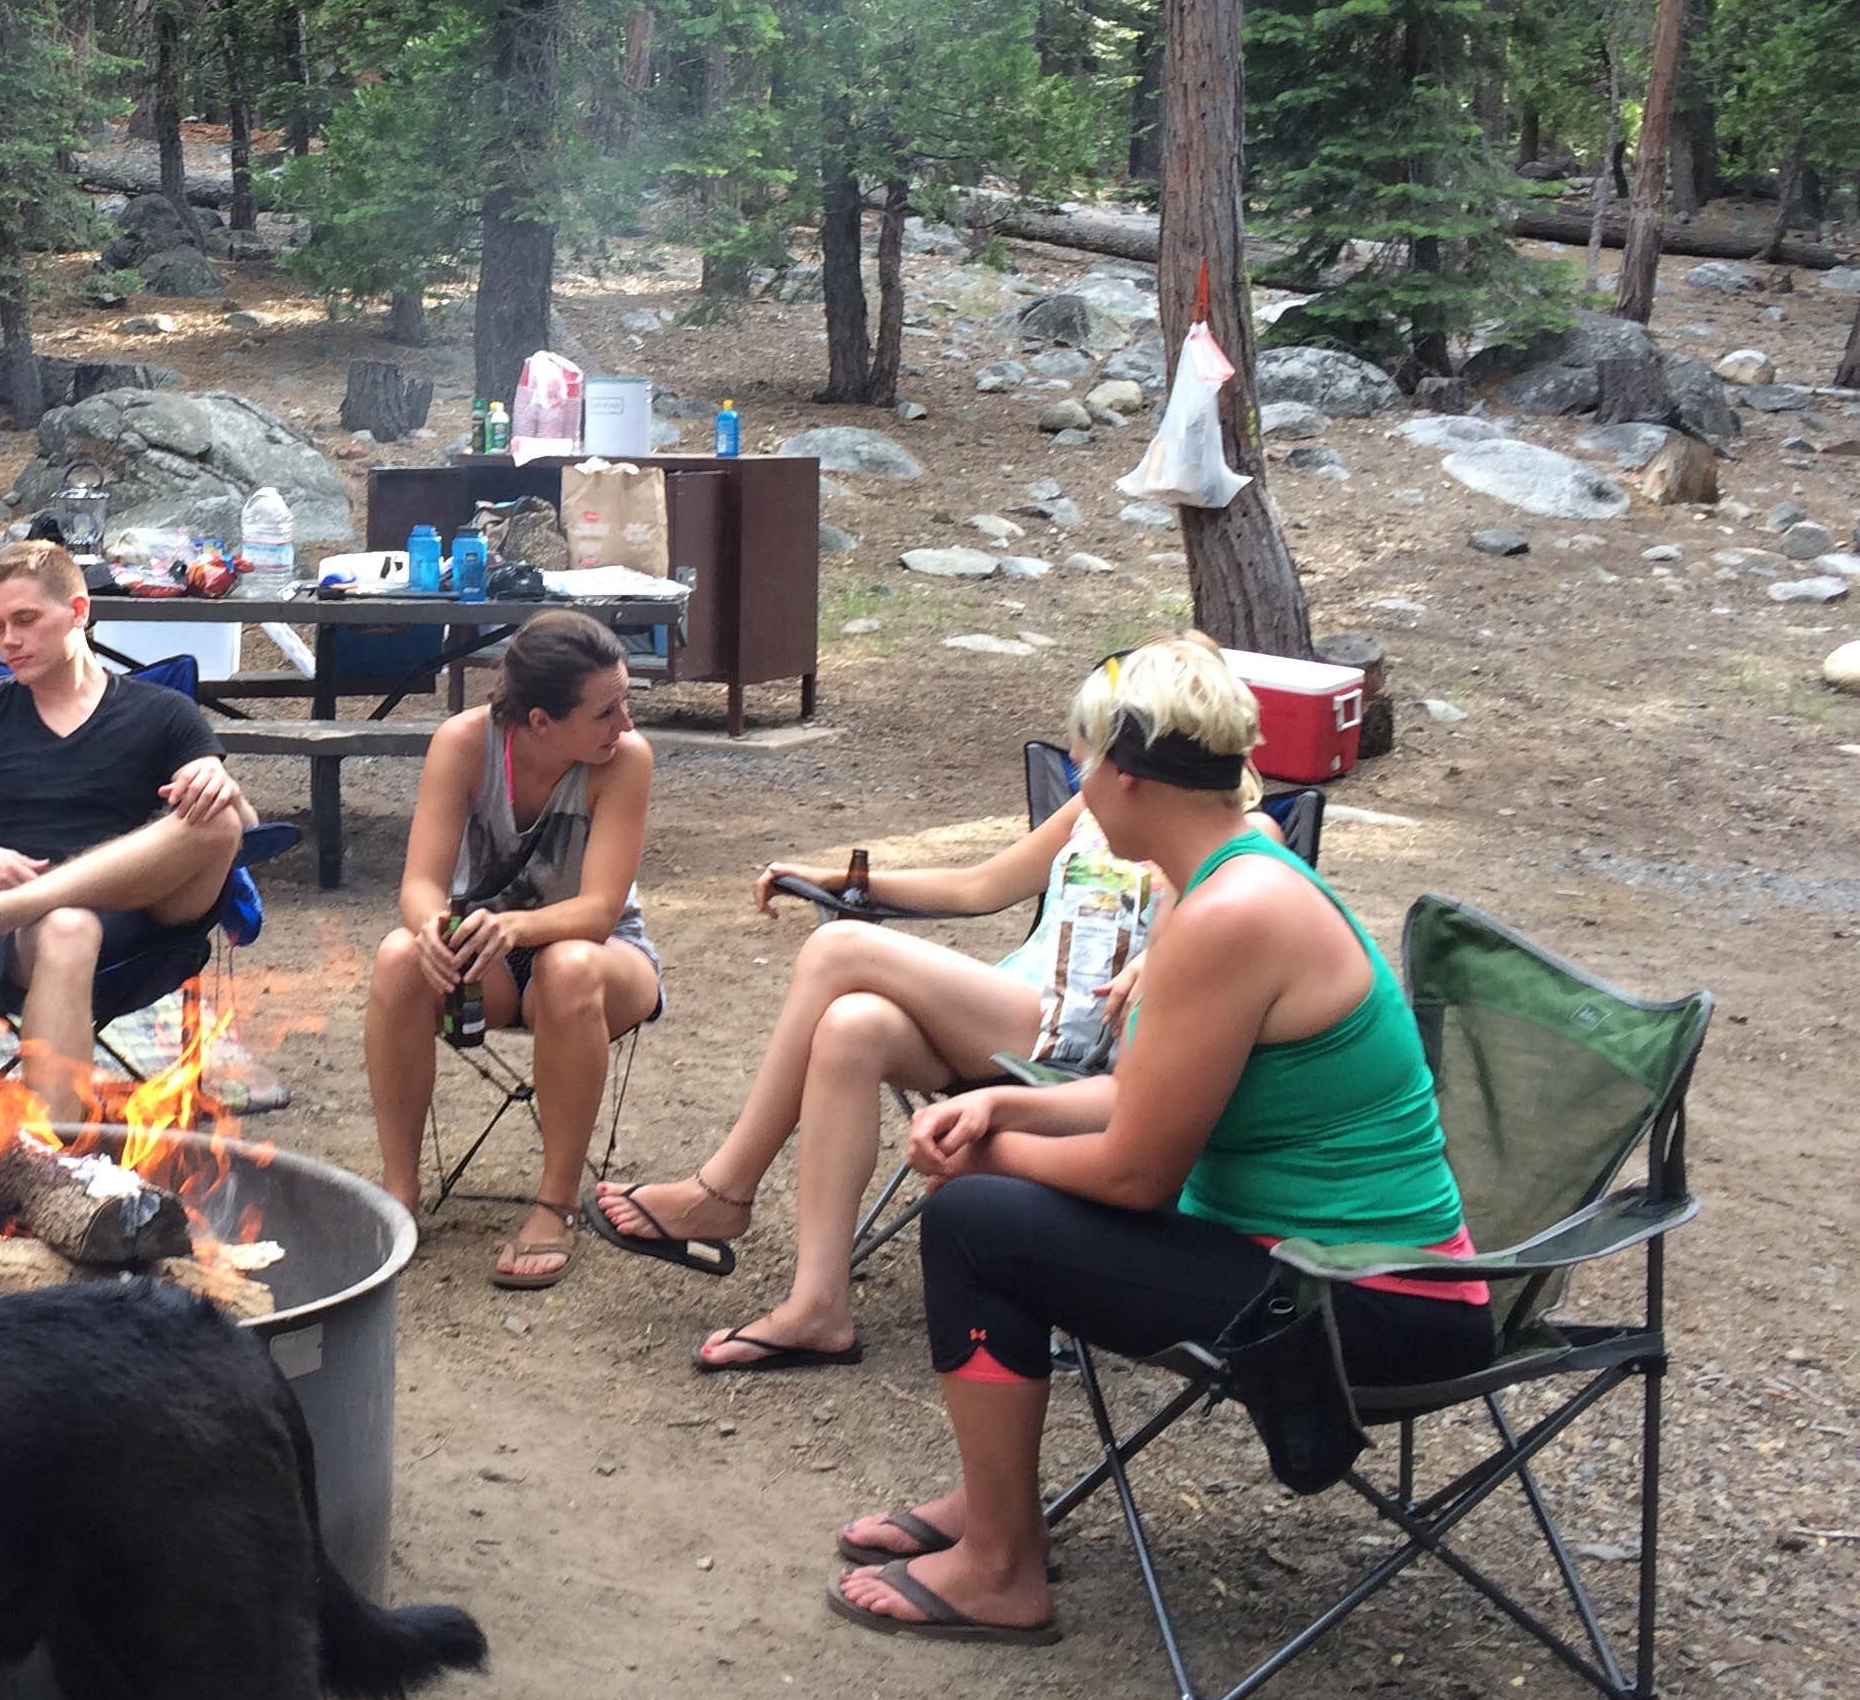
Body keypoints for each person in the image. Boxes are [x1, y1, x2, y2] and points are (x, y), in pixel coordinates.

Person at [826, 635, 1494, 1645]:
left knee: (972, 1218)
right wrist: (1005, 1109)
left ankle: (1001, 1568)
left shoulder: (1231, 915)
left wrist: (984, 1153)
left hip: (1356, 1303)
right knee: (985, 1187)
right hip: (1340, 1272)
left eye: (1086, 765)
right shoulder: (1238, 870)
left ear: (1128, 780)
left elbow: (1137, 1173)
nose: (1081, 786)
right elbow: (1147, 1097)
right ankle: (992, 1507)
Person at [592, 720, 1222, 1371]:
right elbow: (980, 886)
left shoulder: (1222, 834)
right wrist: (843, 878)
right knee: (852, 1026)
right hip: (1013, 1010)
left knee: (838, 947)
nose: (1081, 754)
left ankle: (724, 1190)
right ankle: (818, 1308)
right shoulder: (1096, 804)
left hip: (1075, 1044)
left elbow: (1197, 950)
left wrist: (1162, 959)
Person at [0, 537, 257, 1120]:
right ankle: (62, 1161)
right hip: (31, 939)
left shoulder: (163, 711)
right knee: (68, 924)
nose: (8, 640)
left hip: (150, 918)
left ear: (79, 611)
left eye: (26, 620)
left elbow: (243, 830)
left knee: (220, 817)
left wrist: (215, 781)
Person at [363, 610, 661, 1290]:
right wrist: (432, 932)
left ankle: (554, 1204)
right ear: (540, 722)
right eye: (607, 711)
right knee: (397, 956)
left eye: (626, 703)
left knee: (568, 965)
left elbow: (600, 911)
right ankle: (399, 1192)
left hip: (606, 958)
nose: (627, 725)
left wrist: (517, 930)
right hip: (489, 957)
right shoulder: (465, 744)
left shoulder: (623, 763)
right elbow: (419, 886)